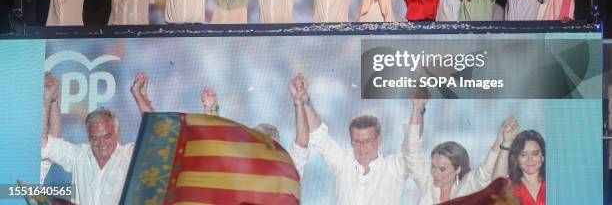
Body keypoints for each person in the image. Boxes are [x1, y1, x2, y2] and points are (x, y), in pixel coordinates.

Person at [130, 72, 309, 176]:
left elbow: (301, 142)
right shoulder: (233, 166)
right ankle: (140, 96)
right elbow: (212, 138)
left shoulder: (284, 174)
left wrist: (300, 103)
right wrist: (211, 108)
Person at [300, 74, 411, 204]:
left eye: (367, 141)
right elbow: (319, 136)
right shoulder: (343, 162)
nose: (361, 147)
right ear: (351, 142)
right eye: (357, 142)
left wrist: (418, 109)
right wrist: (305, 99)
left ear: (379, 140)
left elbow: (412, 148)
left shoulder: (393, 168)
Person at [41, 74, 134, 205]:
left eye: (107, 136)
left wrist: (141, 98)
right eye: (94, 138)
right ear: (88, 137)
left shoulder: (130, 155)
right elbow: (44, 145)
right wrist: (48, 100)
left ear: (117, 132)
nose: (101, 144)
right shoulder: (79, 155)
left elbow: (158, 141)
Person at [407, 99, 511, 205]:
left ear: (458, 169)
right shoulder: (427, 182)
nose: (435, 173)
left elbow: (488, 169)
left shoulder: (468, 185)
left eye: (442, 169)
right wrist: (417, 108)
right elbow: (412, 150)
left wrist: (500, 139)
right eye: (433, 166)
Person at [494, 126, 546, 205]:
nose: (530, 159)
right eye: (523, 155)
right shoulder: (511, 186)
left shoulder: (555, 185)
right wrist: (507, 142)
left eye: (535, 154)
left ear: (542, 157)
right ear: (516, 159)